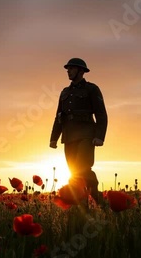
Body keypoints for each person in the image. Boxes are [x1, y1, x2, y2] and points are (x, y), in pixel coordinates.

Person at [49, 58, 108, 204]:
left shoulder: (92, 89)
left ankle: (86, 202)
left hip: (86, 135)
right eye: (67, 69)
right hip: (69, 137)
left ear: (81, 71)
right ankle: (94, 198)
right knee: (75, 171)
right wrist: (53, 138)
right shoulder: (65, 92)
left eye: (72, 68)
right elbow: (58, 116)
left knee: (83, 167)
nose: (68, 71)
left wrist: (99, 136)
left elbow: (101, 114)